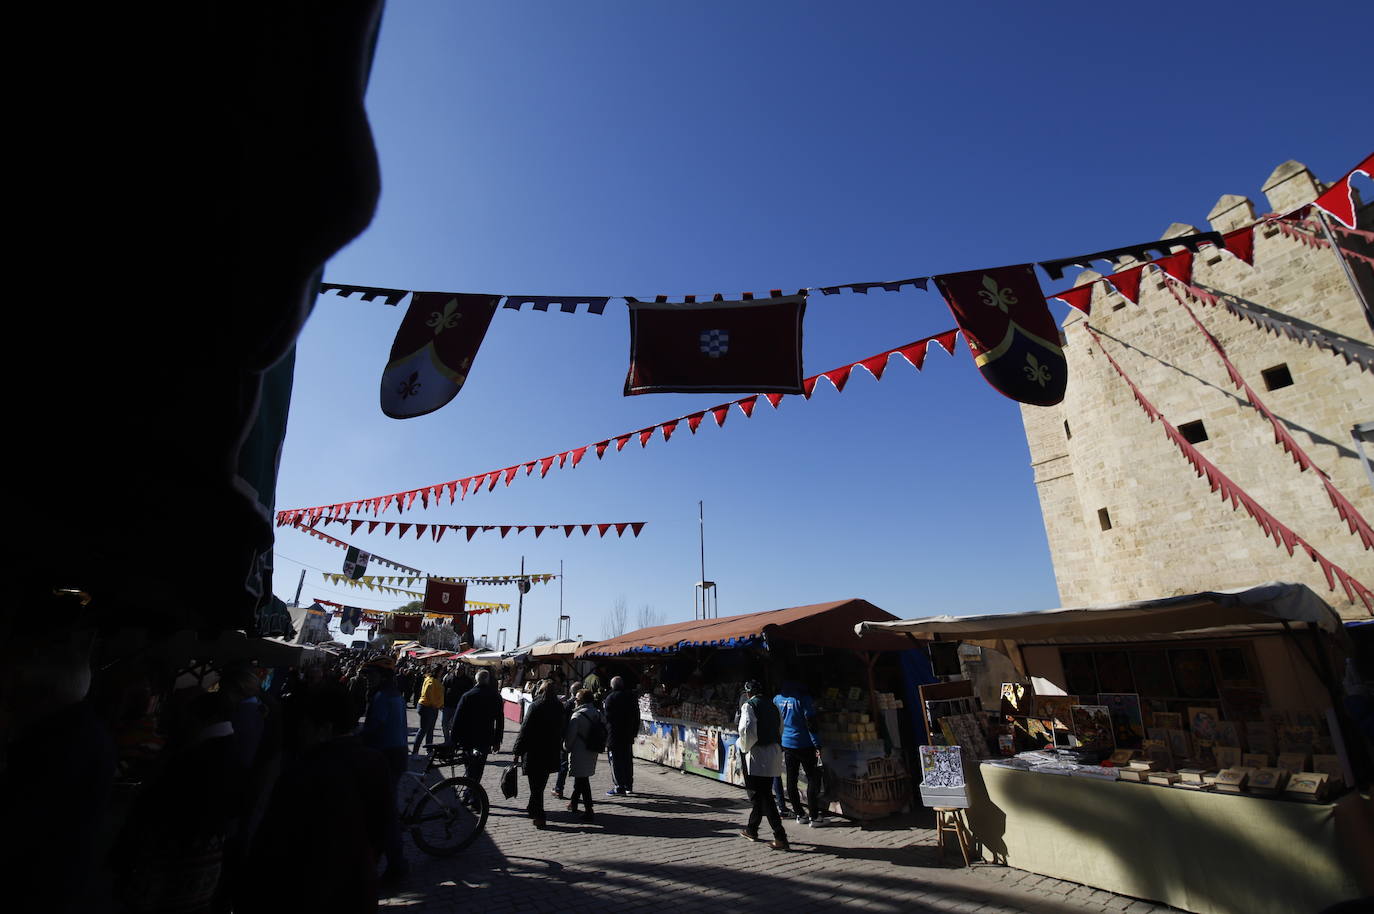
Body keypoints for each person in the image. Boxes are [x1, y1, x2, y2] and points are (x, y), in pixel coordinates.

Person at [243, 682, 390, 912]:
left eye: (305, 725)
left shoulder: (304, 772)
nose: (301, 732)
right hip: (359, 885)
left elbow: (274, 845)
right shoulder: (375, 762)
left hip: (306, 891)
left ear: (324, 728)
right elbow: (383, 825)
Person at [359, 656, 409, 885]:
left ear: (383, 676)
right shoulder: (395, 695)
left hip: (387, 756)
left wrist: (352, 740)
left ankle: (397, 865)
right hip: (395, 753)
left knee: (386, 815)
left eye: (371, 675)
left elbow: (373, 728)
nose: (368, 679)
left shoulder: (382, 697)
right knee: (383, 809)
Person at [737, 680, 788, 850]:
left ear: (748, 693)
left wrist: (744, 748)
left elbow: (747, 730)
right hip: (773, 752)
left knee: (764, 796)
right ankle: (751, 829)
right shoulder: (773, 705)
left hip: (757, 754)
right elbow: (780, 728)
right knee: (761, 794)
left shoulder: (749, 706)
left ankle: (780, 836)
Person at [511, 680, 564, 829]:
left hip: (534, 751)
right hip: (550, 750)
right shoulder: (559, 707)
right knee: (539, 785)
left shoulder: (536, 706)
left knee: (536, 786)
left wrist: (517, 751)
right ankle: (532, 807)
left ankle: (540, 815)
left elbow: (525, 729)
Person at [775, 681, 825, 826]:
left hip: (787, 743)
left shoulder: (778, 698)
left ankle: (799, 814)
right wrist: (817, 744)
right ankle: (814, 816)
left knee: (791, 779)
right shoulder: (803, 698)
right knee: (812, 778)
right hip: (804, 743)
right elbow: (811, 722)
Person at [451, 669, 503, 787]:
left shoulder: (467, 696)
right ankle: (474, 790)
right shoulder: (495, 696)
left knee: (469, 766)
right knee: (479, 768)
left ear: (476, 680)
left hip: (467, 737)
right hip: (485, 737)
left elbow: (457, 719)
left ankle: (470, 789)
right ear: (488, 680)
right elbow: (500, 720)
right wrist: (497, 740)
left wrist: (453, 740)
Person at [563, 689, 603, 822]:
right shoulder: (597, 713)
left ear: (582, 701)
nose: (575, 701)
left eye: (577, 699)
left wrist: (566, 747)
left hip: (579, 751)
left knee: (582, 780)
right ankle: (573, 803)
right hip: (592, 749)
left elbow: (570, 737)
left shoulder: (577, 716)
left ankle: (589, 809)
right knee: (581, 778)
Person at [602, 675, 640, 796]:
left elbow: (607, 718)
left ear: (612, 686)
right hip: (627, 734)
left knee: (615, 761)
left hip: (614, 735)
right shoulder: (631, 697)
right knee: (627, 760)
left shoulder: (610, 698)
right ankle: (628, 785)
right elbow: (636, 716)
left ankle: (619, 786)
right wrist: (634, 731)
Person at [551, 678, 579, 799]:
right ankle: (577, 790)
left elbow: (561, 722)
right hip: (579, 738)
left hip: (566, 737)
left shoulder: (567, 705)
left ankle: (559, 788)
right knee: (577, 765)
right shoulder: (582, 705)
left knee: (563, 764)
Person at [412, 667, 444, 754]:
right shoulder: (431, 680)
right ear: (437, 672)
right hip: (428, 707)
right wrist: (434, 704)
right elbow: (428, 692)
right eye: (441, 671)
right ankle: (415, 752)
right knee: (423, 730)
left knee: (429, 730)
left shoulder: (432, 679)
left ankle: (429, 750)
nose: (442, 672)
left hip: (431, 707)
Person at [440, 663, 470, 743]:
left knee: (454, 725)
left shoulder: (467, 680)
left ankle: (453, 741)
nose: (458, 671)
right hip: (447, 705)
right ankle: (447, 740)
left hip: (459, 707)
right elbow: (443, 690)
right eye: (457, 669)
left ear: (463, 670)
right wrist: (441, 702)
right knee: (444, 724)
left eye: (461, 669)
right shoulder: (449, 677)